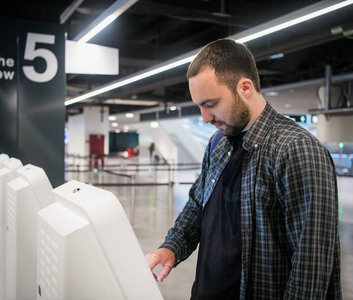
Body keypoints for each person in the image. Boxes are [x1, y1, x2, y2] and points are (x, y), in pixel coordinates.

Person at [145, 39, 342, 299]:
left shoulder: (296, 150)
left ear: (245, 87)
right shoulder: (218, 142)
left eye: (211, 104)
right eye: (199, 106)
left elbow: (311, 265)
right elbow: (197, 205)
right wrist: (172, 247)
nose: (205, 117)